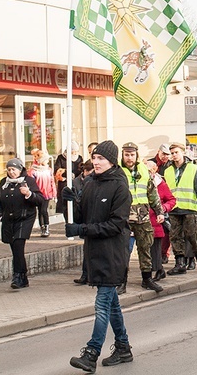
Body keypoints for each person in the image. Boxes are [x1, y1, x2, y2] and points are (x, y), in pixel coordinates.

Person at [64, 140, 133, 371]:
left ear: (112, 161)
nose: (95, 162)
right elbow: (83, 217)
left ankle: (91, 353)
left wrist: (82, 230)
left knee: (102, 304)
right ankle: (123, 348)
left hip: (113, 253)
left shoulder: (120, 187)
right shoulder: (91, 183)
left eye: (100, 158)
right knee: (112, 305)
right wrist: (71, 202)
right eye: (94, 158)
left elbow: (115, 225)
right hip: (94, 253)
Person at [120, 142, 165, 293]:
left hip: (142, 215)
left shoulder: (143, 170)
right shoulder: (118, 172)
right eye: (127, 154)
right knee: (123, 250)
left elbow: (152, 192)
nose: (129, 158)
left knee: (145, 247)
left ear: (136, 155)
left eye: (132, 154)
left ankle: (147, 279)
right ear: (123, 155)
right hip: (124, 216)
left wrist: (159, 211)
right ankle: (121, 281)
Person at [0, 158, 44, 289]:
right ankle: (23, 277)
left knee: (18, 245)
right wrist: (0, 215)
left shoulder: (28, 181)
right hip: (9, 220)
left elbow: (40, 200)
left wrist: (29, 194)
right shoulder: (4, 182)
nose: (11, 172)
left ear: (20, 169)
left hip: (24, 218)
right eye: (9, 170)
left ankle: (18, 275)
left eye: (13, 169)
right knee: (14, 249)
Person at [163, 142, 197, 274]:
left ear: (183, 152)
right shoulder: (168, 170)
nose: (174, 155)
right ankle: (180, 262)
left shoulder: (193, 169)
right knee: (175, 236)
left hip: (189, 208)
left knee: (191, 235)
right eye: (172, 153)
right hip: (174, 208)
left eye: (176, 152)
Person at [144, 160, 176, 282]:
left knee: (155, 248)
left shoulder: (160, 184)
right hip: (141, 221)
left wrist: (162, 209)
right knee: (145, 249)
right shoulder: (140, 182)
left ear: (154, 170)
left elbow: (171, 200)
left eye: (148, 170)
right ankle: (155, 270)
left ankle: (158, 270)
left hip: (155, 221)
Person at [28, 149, 56, 238]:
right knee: (40, 211)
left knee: (44, 210)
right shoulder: (33, 171)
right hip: (38, 194)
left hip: (47, 193)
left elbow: (52, 182)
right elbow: (31, 183)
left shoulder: (49, 170)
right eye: (46, 160)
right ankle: (42, 227)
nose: (47, 161)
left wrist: (54, 194)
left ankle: (46, 227)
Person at [55, 141, 84, 222]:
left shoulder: (79, 158)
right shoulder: (61, 158)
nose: (74, 153)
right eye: (72, 152)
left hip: (75, 182)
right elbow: (57, 170)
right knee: (65, 203)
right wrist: (66, 173)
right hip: (64, 183)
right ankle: (67, 219)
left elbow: (80, 169)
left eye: (76, 152)